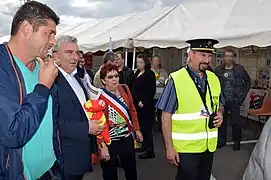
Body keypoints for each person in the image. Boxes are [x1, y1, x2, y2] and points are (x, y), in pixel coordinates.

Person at [0, 2, 61, 179]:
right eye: (48, 33)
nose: (53, 42)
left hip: (51, 170)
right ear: (26, 29)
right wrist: (42, 88)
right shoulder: (3, 68)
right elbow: (13, 134)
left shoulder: (43, 67)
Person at [157, 39, 224, 180]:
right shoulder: (176, 79)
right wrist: (169, 148)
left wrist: (220, 113)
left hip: (208, 147)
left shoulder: (213, 78)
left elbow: (220, 103)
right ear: (190, 54)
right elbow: (165, 116)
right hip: (186, 149)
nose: (207, 60)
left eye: (209, 56)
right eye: (202, 55)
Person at [52, 35, 104, 180]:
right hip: (64, 158)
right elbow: (51, 124)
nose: (75, 57)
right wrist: (85, 128)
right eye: (69, 52)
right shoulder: (51, 81)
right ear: (55, 54)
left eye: (77, 52)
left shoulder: (75, 76)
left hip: (80, 152)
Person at [98, 62, 143, 180]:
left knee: (131, 171)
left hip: (126, 138)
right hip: (109, 141)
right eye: (110, 77)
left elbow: (132, 110)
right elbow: (98, 122)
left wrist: (137, 129)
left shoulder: (124, 89)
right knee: (110, 174)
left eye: (116, 76)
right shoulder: (98, 96)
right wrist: (102, 146)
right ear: (103, 81)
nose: (114, 79)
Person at [215, 49, 251, 150]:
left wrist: (242, 96)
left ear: (233, 58)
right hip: (222, 101)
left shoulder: (240, 69)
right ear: (223, 58)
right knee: (222, 122)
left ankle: (236, 142)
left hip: (235, 100)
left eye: (230, 56)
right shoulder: (218, 70)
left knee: (236, 122)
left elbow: (248, 82)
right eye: (226, 56)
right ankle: (221, 141)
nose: (228, 58)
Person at [131, 53, 156, 159]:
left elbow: (151, 90)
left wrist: (143, 101)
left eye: (141, 62)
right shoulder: (136, 72)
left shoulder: (149, 74)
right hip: (136, 104)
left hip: (145, 106)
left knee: (147, 128)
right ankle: (144, 146)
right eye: (137, 62)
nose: (139, 64)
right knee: (141, 126)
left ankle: (150, 151)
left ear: (145, 63)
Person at [151, 55, 168, 132]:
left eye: (157, 61)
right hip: (153, 95)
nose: (156, 63)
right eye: (154, 61)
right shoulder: (150, 71)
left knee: (160, 112)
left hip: (162, 95)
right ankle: (153, 127)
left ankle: (161, 127)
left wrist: (162, 81)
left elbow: (167, 81)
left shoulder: (164, 71)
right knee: (152, 112)